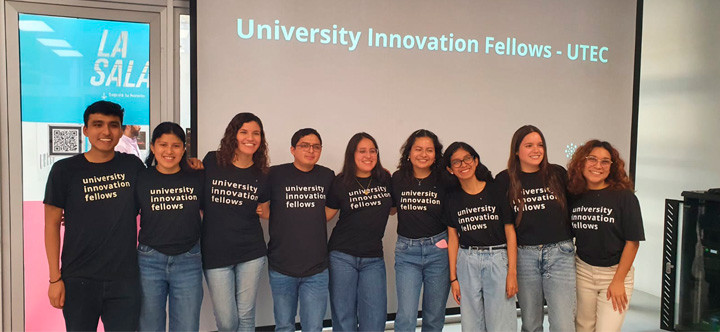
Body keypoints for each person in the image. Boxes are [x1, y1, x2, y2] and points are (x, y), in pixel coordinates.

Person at [44, 100, 144, 331]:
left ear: (121, 130)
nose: (106, 132)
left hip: (124, 281)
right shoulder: (64, 170)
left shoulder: (133, 166)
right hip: (78, 279)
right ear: (86, 130)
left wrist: (191, 166)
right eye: (98, 124)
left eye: (113, 125)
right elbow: (50, 225)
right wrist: (54, 278)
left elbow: (158, 188)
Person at [495, 125, 576, 331]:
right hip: (524, 257)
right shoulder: (504, 179)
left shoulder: (557, 173)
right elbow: (508, 227)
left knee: (563, 324)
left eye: (540, 145)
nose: (536, 150)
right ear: (516, 150)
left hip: (560, 254)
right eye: (528, 145)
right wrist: (511, 270)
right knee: (531, 324)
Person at [567, 140, 645, 332]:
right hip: (583, 271)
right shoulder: (574, 195)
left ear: (612, 166)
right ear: (581, 162)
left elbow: (632, 243)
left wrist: (618, 280)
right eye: (592, 159)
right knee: (583, 328)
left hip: (615, 274)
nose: (598, 166)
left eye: (605, 161)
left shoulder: (624, 197)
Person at [202, 112, 270, 331]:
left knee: (246, 315)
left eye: (256, 133)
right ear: (234, 134)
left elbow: (266, 210)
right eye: (244, 132)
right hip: (215, 252)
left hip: (251, 252)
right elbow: (199, 200)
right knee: (227, 320)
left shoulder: (262, 173)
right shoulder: (212, 160)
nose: (250, 138)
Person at [263, 128, 335, 332]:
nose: (311, 150)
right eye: (304, 145)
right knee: (285, 325)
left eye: (316, 146)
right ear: (293, 149)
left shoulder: (326, 175)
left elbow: (330, 210)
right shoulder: (275, 174)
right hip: (281, 266)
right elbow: (263, 208)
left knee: (313, 327)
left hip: (317, 268)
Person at [135, 122, 204, 331]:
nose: (169, 151)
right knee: (149, 326)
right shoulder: (141, 178)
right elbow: (119, 211)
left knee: (187, 326)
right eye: (163, 144)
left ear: (184, 149)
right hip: (149, 261)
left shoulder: (198, 176)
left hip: (189, 260)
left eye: (176, 145)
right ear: (153, 147)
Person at [443, 142, 518, 332]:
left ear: (476, 161)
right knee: (471, 325)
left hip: (498, 260)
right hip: (467, 261)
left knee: (501, 324)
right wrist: (453, 278)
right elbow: (453, 239)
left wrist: (512, 273)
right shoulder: (452, 198)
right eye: (456, 162)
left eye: (467, 158)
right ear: (450, 169)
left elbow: (510, 232)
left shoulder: (496, 190)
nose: (463, 164)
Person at [325, 133, 394, 331]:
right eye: (362, 151)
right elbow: (326, 215)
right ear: (352, 154)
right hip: (342, 256)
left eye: (373, 151)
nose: (368, 155)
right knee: (344, 316)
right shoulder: (340, 182)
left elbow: (393, 209)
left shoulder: (385, 178)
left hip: (373, 258)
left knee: (375, 318)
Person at [391, 129, 450, 331]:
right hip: (407, 253)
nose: (423, 154)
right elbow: (389, 209)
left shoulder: (444, 180)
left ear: (436, 155)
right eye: (418, 149)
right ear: (409, 152)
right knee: (406, 316)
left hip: (439, 250)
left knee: (434, 317)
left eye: (429, 150)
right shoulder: (398, 178)